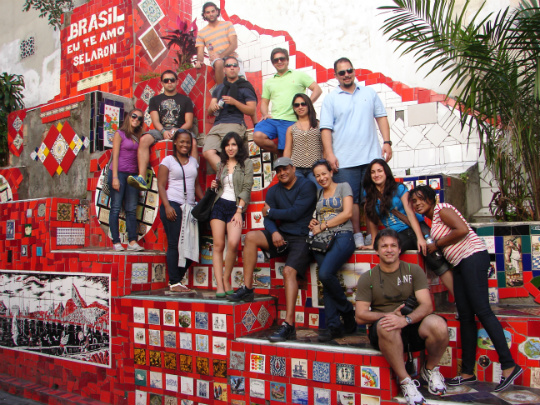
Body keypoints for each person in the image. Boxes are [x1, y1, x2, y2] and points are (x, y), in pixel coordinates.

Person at [409, 185, 523, 392]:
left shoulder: (442, 209)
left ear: (431, 198)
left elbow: (461, 229)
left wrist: (437, 244)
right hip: (460, 264)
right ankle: (467, 373)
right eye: (414, 201)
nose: (417, 203)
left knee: (483, 311)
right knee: (466, 316)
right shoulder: (432, 219)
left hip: (472, 257)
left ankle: (509, 366)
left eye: (420, 198)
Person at [228, 157, 317, 343]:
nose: (282, 173)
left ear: (293, 168)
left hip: (302, 238)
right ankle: (248, 288)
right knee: (251, 236)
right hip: (282, 236)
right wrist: (275, 231)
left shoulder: (307, 186)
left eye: (285, 169)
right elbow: (266, 219)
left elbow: (295, 213)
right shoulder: (274, 190)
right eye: (278, 171)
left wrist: (270, 212)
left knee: (288, 271)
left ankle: (289, 325)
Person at [356, 229, 449, 405]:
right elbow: (360, 316)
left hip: (411, 324)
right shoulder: (367, 277)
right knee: (387, 324)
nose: (389, 249)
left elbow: (427, 305)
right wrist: (390, 315)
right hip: (386, 332)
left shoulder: (414, 270)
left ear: (400, 249)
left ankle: (430, 369)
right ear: (376, 251)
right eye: (384, 246)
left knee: (438, 324)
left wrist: (405, 320)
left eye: (393, 246)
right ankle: (405, 381)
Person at [320, 57, 391, 248]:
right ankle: (357, 235)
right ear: (336, 76)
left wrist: (387, 142)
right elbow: (325, 128)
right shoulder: (331, 98)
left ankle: (371, 235)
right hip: (344, 160)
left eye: (349, 70)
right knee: (351, 200)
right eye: (341, 72)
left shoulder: (369, 93)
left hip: (371, 157)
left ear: (354, 71)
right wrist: (329, 154)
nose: (346, 75)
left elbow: (381, 117)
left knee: (371, 197)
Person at [362, 159, 454, 295]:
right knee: (388, 253)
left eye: (380, 171)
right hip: (396, 235)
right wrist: (374, 242)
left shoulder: (399, 188)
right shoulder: (369, 194)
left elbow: (410, 213)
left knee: (436, 262)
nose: (376, 174)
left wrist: (420, 238)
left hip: (413, 228)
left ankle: (460, 301)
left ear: (386, 172)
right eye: (373, 172)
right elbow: (371, 219)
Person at [308, 160, 356, 342]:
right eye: (317, 175)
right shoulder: (319, 193)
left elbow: (347, 213)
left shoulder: (344, 186)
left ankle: (347, 311)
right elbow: (317, 217)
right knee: (326, 281)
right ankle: (334, 326)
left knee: (326, 274)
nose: (321, 178)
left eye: (324, 173)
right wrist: (314, 223)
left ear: (331, 172)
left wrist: (324, 225)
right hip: (322, 241)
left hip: (343, 235)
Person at [128, 70, 196, 191]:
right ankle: (142, 177)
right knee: (143, 140)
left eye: (172, 80)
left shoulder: (185, 100)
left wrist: (178, 130)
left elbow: (189, 122)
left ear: (177, 82)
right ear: (162, 83)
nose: (169, 83)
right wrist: (164, 131)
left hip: (181, 130)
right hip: (161, 130)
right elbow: (155, 121)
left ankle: (193, 179)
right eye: (166, 80)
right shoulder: (155, 100)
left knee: (194, 142)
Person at [157, 130, 204, 292]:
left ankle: (176, 278)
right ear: (175, 142)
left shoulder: (193, 162)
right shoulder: (167, 161)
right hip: (173, 204)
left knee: (194, 245)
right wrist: (167, 206)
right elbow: (161, 186)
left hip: (190, 208)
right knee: (174, 243)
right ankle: (174, 282)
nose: (185, 145)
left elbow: (196, 185)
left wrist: (204, 202)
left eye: (188, 142)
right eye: (182, 142)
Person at [209, 132, 254, 297]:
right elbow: (220, 187)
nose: (230, 148)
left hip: (235, 207)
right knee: (219, 245)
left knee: (234, 243)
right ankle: (220, 285)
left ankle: (226, 278)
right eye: (227, 145)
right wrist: (215, 183)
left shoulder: (246, 164)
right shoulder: (221, 164)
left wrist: (239, 210)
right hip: (219, 205)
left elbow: (246, 188)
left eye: (234, 144)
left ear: (239, 146)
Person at [253, 48, 322, 154]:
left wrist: (306, 105)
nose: (279, 61)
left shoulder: (299, 75)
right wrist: (265, 113)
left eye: (282, 58)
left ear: (287, 60)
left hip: (292, 121)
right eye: (276, 60)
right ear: (272, 63)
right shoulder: (269, 82)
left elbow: (317, 90)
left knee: (288, 158)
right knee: (257, 136)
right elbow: (264, 102)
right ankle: (280, 153)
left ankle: (284, 155)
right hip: (274, 120)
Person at [203, 56, 257, 171]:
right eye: (228, 65)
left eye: (234, 65)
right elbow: (209, 111)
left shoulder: (245, 87)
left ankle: (231, 179)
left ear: (238, 69)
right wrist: (213, 107)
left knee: (230, 155)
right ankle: (228, 177)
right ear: (224, 70)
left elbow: (252, 110)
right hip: (217, 125)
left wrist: (235, 102)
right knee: (207, 152)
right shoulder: (219, 88)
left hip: (234, 123)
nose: (231, 68)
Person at [108, 109, 145, 252]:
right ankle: (116, 241)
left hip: (133, 176)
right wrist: (115, 178)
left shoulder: (138, 136)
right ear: (128, 117)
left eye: (139, 118)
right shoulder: (120, 133)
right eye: (134, 116)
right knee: (116, 207)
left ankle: (132, 241)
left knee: (131, 209)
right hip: (119, 173)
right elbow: (115, 155)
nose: (136, 119)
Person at [194, 2, 239, 85]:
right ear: (204, 15)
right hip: (216, 62)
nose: (211, 14)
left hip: (233, 58)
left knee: (243, 86)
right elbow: (200, 53)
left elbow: (234, 45)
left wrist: (220, 56)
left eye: (213, 11)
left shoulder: (227, 24)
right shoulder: (201, 32)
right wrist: (199, 61)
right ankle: (221, 92)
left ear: (217, 12)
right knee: (218, 62)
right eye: (208, 12)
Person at [283, 94, 322, 185]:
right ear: (294, 108)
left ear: (308, 105)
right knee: (299, 195)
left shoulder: (319, 124)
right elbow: (287, 151)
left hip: (316, 168)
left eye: (303, 104)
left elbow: (325, 146)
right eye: (297, 105)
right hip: (297, 169)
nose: (300, 107)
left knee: (318, 193)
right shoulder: (291, 129)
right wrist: (286, 168)